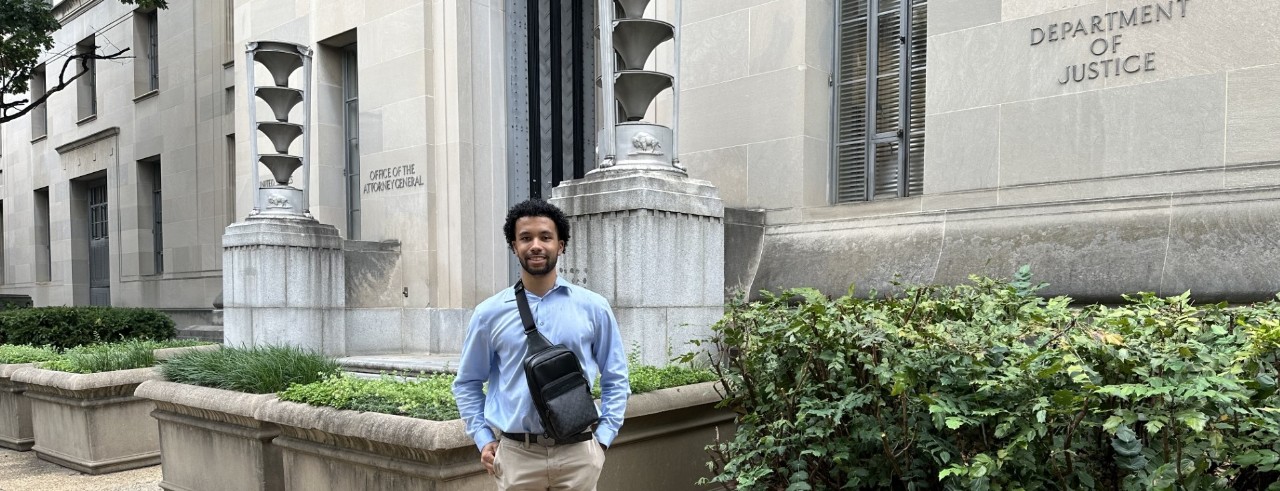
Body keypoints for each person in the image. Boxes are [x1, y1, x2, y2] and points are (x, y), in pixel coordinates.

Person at [452, 198, 630, 490]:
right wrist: (483, 438)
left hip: (579, 453)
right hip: (517, 456)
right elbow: (467, 382)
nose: (536, 245)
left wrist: (603, 440)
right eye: (526, 238)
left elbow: (616, 377)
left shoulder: (593, 307)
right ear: (514, 246)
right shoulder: (489, 313)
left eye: (546, 237)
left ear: (561, 245)